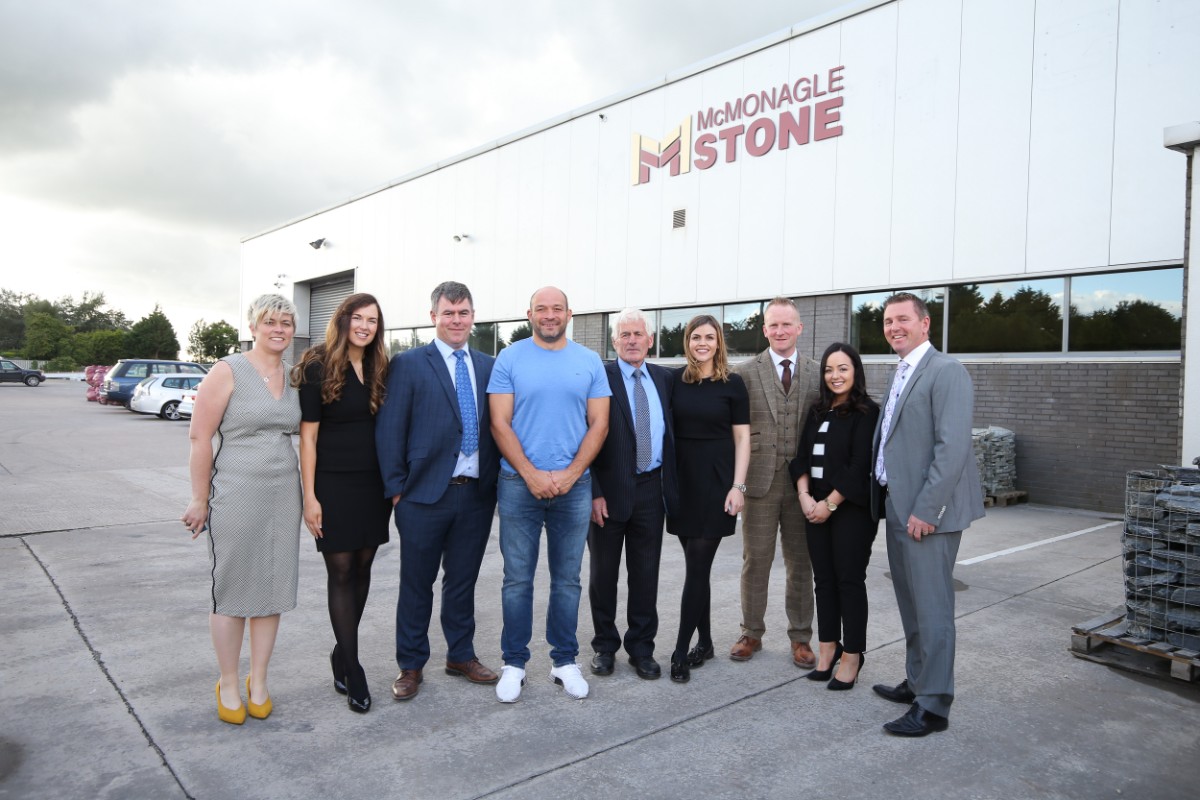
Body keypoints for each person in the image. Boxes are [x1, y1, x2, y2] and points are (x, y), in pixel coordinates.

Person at [375, 281, 501, 703]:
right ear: (434, 316)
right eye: (449, 313)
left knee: (462, 581)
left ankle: (460, 655)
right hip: (423, 497)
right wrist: (397, 492)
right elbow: (391, 430)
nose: (457, 320)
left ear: (472, 316)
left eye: (463, 312)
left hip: (476, 495)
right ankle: (411, 665)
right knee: (417, 583)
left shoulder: (488, 365)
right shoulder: (409, 364)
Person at [181, 293, 302, 725]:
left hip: (284, 492)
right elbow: (200, 438)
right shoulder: (227, 370)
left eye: (286, 323)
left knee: (272, 587)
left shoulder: (294, 376)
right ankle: (228, 680)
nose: (278, 329)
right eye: (270, 322)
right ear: (253, 327)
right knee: (232, 588)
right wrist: (199, 498)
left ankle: (260, 680)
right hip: (235, 490)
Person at [487, 286, 610, 703]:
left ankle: (564, 661)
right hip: (519, 485)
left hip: (574, 488)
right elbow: (499, 424)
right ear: (530, 314)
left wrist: (573, 473)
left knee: (567, 580)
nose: (550, 315)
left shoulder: (589, 361)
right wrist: (531, 473)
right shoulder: (510, 358)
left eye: (557, 309)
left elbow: (599, 425)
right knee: (517, 579)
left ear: (569, 314)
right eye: (542, 309)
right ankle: (514, 664)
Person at [870, 292, 984, 737]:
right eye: (887, 321)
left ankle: (934, 706)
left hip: (927, 515)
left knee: (933, 608)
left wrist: (927, 509)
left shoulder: (946, 371)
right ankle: (918, 681)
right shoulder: (901, 371)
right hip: (899, 508)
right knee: (912, 603)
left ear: (925, 323)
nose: (894, 327)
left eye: (902, 319)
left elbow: (951, 448)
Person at [294, 292, 392, 714]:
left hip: (374, 485)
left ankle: (340, 652)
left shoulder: (380, 366)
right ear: (344, 319)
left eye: (372, 320)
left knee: (364, 567)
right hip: (333, 484)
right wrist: (309, 497)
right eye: (358, 318)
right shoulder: (318, 364)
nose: (365, 326)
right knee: (341, 570)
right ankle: (354, 668)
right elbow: (309, 438)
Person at [587, 309, 678, 681]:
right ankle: (605, 647)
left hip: (651, 490)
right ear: (614, 341)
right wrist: (592, 491)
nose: (632, 340)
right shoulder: (600, 377)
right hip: (607, 494)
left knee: (645, 575)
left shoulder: (665, 378)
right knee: (603, 576)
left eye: (638, 334)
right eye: (624, 334)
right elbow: (584, 432)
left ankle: (641, 649)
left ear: (650, 339)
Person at [730, 298, 821, 669]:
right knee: (756, 561)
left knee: (801, 565)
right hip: (760, 483)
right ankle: (751, 631)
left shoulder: (818, 374)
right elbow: (733, 433)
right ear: (764, 330)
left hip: (804, 487)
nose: (780, 331)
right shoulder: (744, 373)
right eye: (773, 326)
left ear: (799, 328)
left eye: (787, 325)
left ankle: (801, 637)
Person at [789, 342, 880, 690]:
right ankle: (828, 648)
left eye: (842, 368)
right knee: (823, 581)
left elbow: (860, 466)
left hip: (851, 511)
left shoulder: (867, 412)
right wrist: (804, 497)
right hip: (813, 508)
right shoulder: (817, 411)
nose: (835, 375)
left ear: (855, 371)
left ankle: (853, 655)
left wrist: (829, 504)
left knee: (849, 582)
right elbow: (801, 459)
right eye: (829, 369)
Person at [666, 315, 750, 683]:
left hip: (718, 483)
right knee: (695, 568)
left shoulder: (733, 383)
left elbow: (743, 439)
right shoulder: (674, 381)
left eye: (709, 337)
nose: (703, 343)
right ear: (687, 342)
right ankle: (708, 641)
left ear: (719, 343)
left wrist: (738, 486)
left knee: (698, 566)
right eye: (696, 337)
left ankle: (681, 650)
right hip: (683, 482)